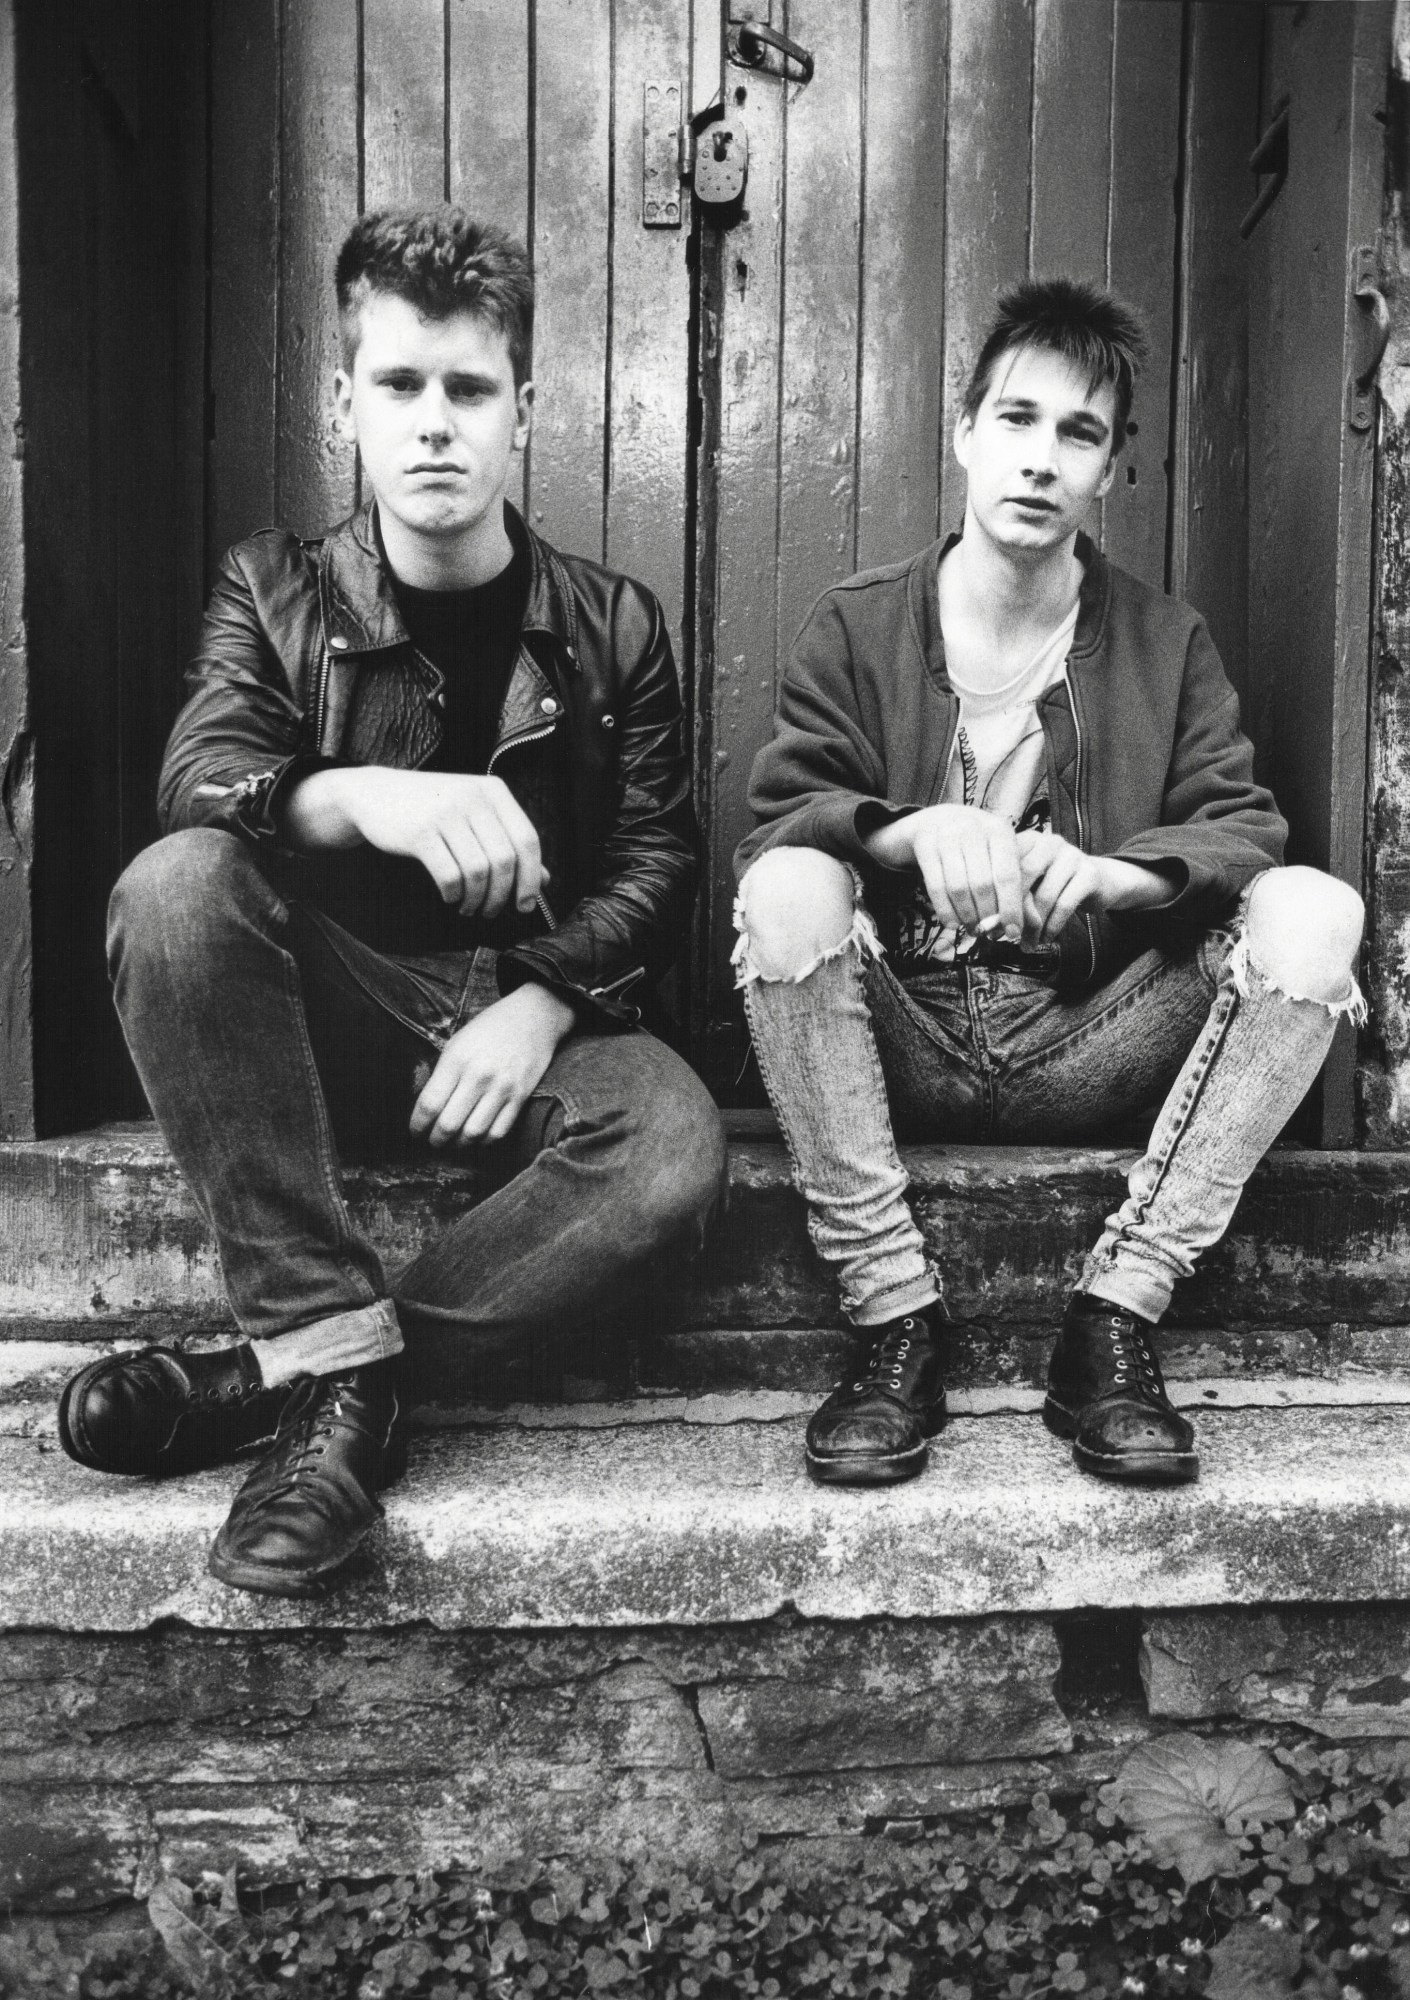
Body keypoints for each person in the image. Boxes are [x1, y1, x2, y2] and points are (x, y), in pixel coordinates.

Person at [57, 207, 725, 1595]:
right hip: (326, 1012)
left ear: (524, 411)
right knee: (175, 889)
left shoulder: (613, 624)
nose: (434, 424)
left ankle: (295, 1377)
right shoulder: (276, 585)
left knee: (668, 1142)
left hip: (519, 1022)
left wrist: (537, 1007)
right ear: (343, 401)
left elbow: (661, 864)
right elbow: (201, 775)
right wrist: (369, 793)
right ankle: (330, 1350)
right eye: (400, 386)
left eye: (468, 389)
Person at [733, 277, 1364, 1491]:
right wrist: (909, 829)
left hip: (1093, 1037)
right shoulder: (859, 625)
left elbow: (1244, 825)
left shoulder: (1166, 641)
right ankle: (892, 1321)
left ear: (1113, 468)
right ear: (965, 433)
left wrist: (1116, 878)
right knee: (787, 890)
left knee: (1317, 911)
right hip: (901, 1038)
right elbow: (779, 814)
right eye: (1016, 420)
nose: (1040, 459)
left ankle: (1114, 1320)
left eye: (1078, 433)